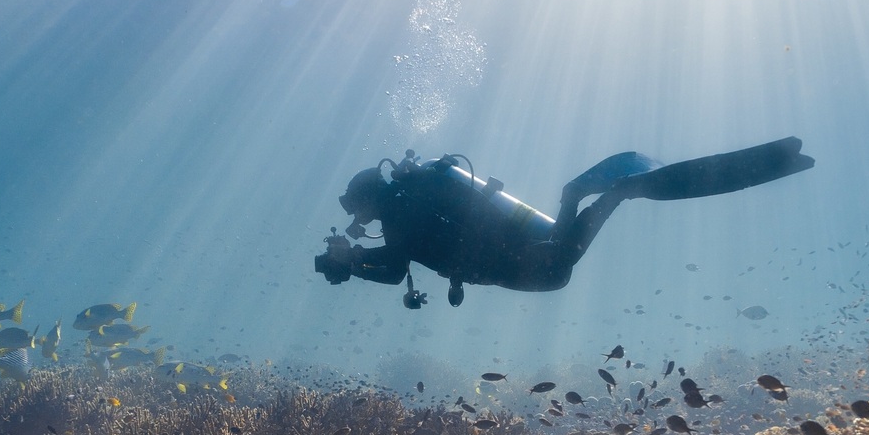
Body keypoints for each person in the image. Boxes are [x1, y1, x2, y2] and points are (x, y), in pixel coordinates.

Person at [314, 137, 814, 307]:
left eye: (357, 208)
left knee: (613, 196)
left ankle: (624, 186)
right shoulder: (414, 199)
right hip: (542, 248)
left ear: (371, 197)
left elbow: (389, 268)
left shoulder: (401, 211)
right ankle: (768, 162)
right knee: (598, 194)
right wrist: (356, 260)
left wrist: (349, 262)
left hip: (538, 271)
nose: (358, 220)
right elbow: (397, 261)